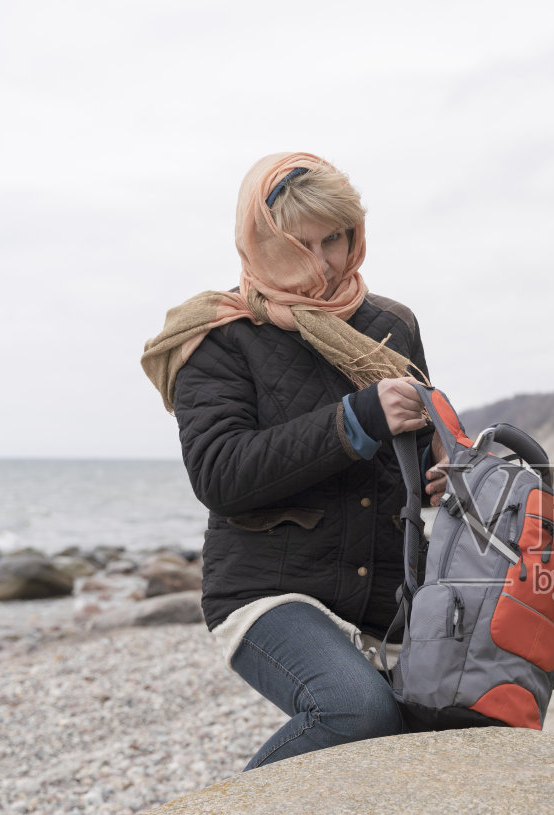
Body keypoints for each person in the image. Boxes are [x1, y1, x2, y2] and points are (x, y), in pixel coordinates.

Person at [141, 151, 445, 770]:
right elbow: (220, 475)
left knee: (460, 723)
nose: (325, 262)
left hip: (391, 596)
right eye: (301, 245)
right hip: (267, 591)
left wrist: (441, 477)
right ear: (260, 243)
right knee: (354, 712)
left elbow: (412, 450)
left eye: (335, 239)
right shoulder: (218, 333)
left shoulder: (392, 324)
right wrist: (354, 420)